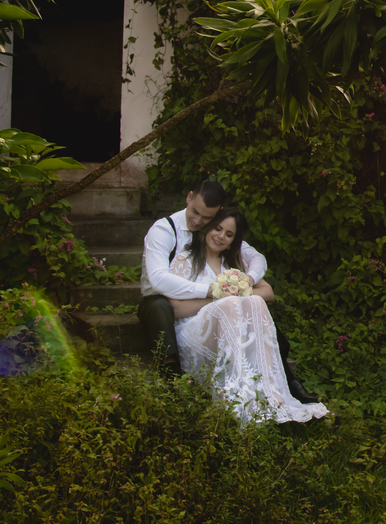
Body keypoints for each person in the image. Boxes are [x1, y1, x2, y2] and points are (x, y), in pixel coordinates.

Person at [137, 180, 318, 403]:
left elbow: (256, 258)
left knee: (252, 308)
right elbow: (158, 279)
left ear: (218, 212)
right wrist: (215, 292)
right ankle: (171, 371)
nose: (197, 221)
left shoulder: (218, 232)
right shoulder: (165, 229)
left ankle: (287, 381)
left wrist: (246, 281)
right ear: (189, 197)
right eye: (195, 212)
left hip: (211, 302)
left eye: (206, 218)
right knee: (160, 307)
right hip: (159, 298)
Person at [167, 208, 331, 425]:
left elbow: (268, 292)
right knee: (232, 302)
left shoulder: (233, 263)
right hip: (195, 331)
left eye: (229, 234)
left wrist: (236, 293)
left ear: (233, 241)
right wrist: (221, 297)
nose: (220, 236)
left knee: (253, 300)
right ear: (207, 227)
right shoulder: (184, 259)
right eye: (218, 228)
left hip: (234, 333)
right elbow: (175, 309)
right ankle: (237, 397)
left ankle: (270, 393)